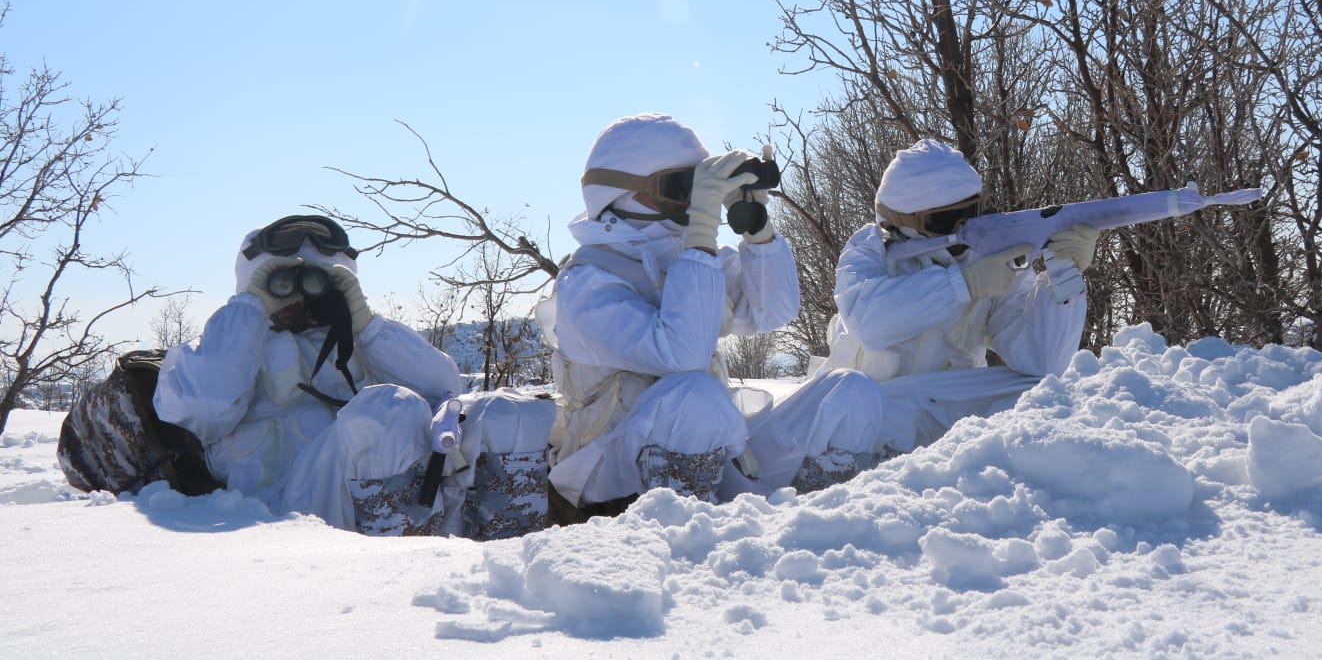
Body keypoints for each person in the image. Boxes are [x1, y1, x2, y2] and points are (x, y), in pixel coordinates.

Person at [543, 113, 884, 517]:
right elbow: (682, 354)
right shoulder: (586, 282)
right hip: (609, 469)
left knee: (848, 391)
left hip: (713, 451)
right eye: (682, 187)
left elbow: (773, 310)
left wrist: (757, 230)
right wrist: (702, 230)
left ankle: (818, 522)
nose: (694, 201)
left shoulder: (685, 255)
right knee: (694, 395)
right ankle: (685, 537)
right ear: (622, 193)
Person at [150, 215, 555, 539]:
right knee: (386, 410)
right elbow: (206, 408)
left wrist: (363, 323)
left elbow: (442, 384)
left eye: (314, 281)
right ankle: (395, 569)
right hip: (287, 512)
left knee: (503, 411)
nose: (299, 295)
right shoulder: (221, 347)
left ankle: (507, 548)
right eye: (281, 281)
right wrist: (250, 310)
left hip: (388, 496)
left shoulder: (356, 341)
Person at [817, 138, 1098, 454]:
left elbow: (1043, 361)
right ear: (903, 219)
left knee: (1040, 394)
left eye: (973, 212)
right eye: (948, 219)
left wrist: (1063, 272)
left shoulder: (988, 259)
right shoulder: (868, 250)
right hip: (870, 415)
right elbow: (867, 322)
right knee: (853, 396)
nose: (965, 227)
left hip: (945, 415)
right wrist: (962, 284)